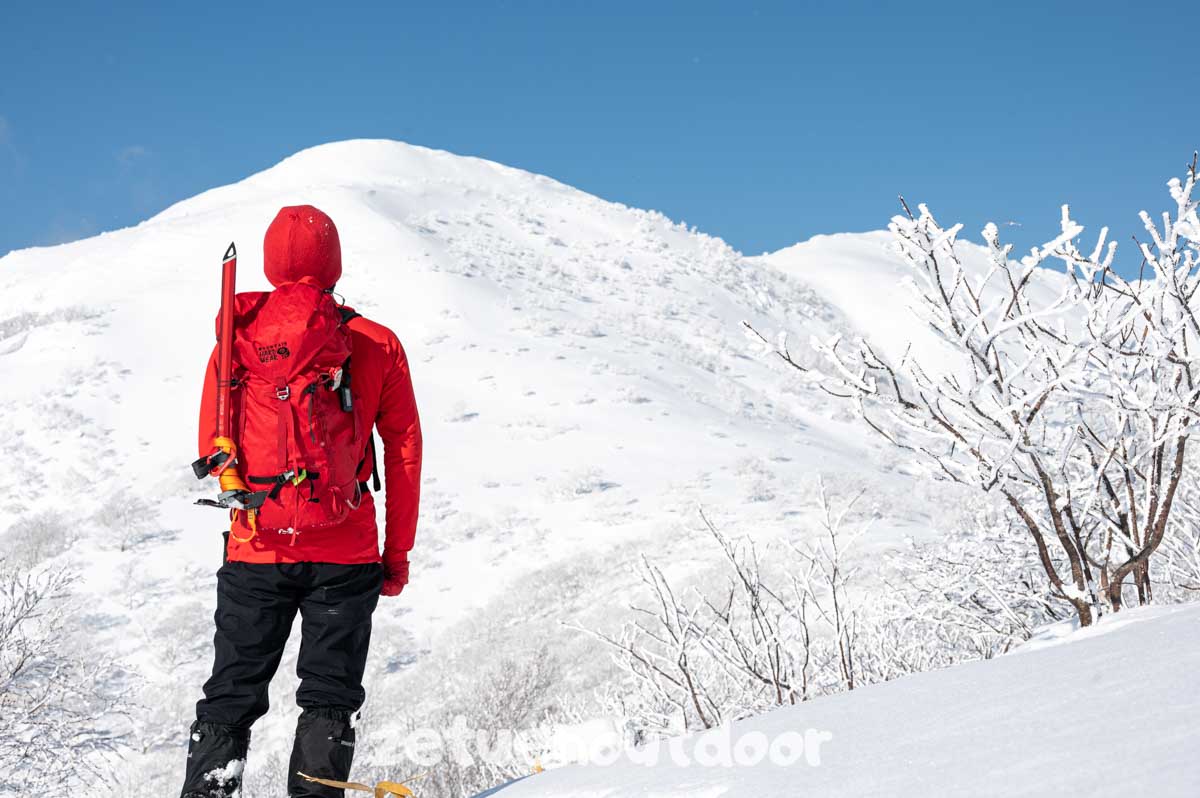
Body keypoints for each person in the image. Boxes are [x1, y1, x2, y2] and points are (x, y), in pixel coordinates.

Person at [180, 205, 423, 798]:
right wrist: (397, 554)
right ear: (334, 265)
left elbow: (213, 439)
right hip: (346, 550)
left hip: (255, 543)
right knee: (329, 697)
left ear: (270, 263)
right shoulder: (375, 342)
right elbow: (405, 450)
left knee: (230, 695)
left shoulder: (238, 337)